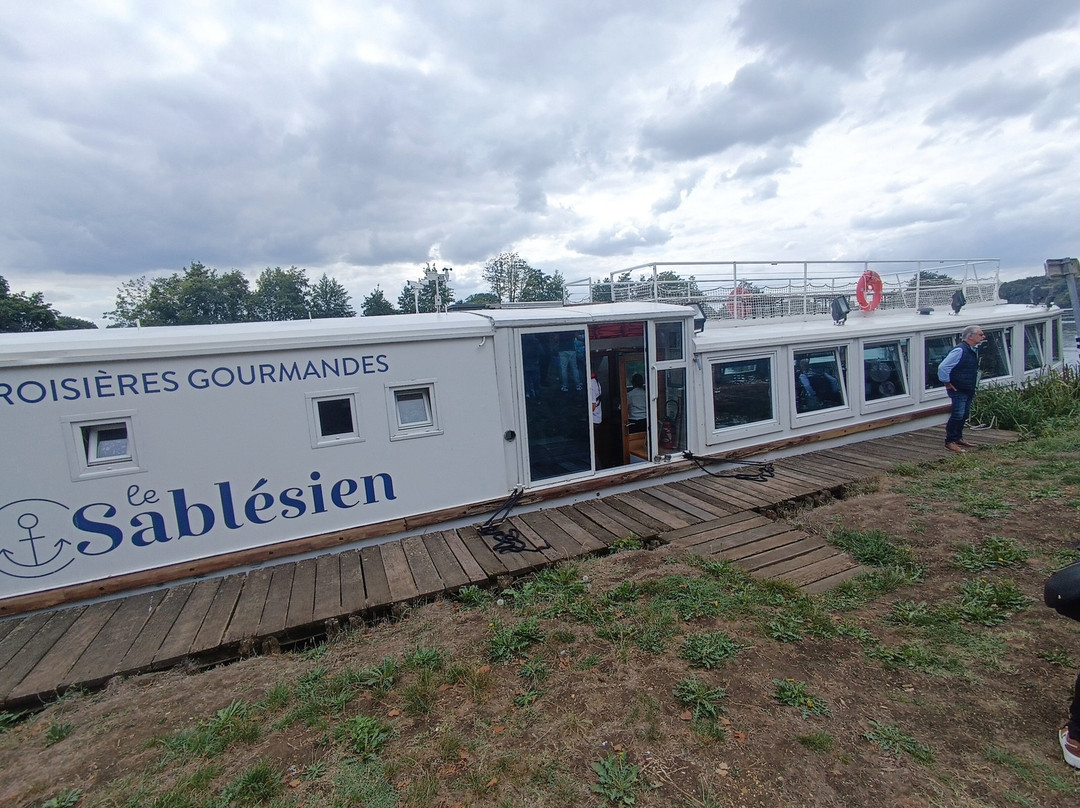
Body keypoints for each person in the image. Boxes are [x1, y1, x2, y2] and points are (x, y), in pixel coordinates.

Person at [937, 325, 986, 453]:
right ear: (970, 336)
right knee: (958, 414)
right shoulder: (960, 350)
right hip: (958, 388)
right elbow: (943, 367)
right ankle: (950, 441)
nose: (983, 337)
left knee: (964, 414)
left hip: (968, 387)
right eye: (980, 335)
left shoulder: (972, 350)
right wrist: (947, 382)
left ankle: (958, 438)